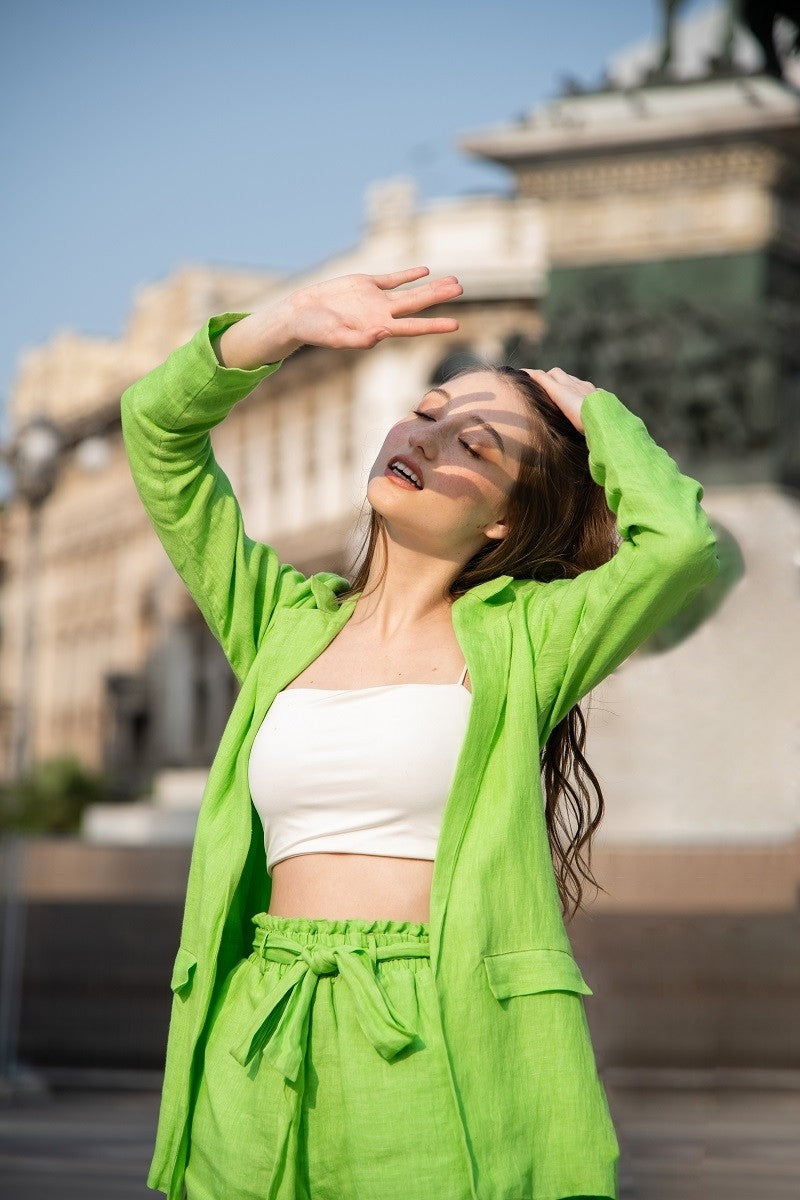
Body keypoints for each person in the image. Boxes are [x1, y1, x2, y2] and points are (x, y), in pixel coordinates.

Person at [121, 265, 720, 1200]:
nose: (424, 439)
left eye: (471, 445)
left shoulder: (529, 641)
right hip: (259, 1017)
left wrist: (595, 412)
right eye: (427, 410)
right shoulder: (280, 623)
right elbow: (159, 435)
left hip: (438, 1028)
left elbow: (679, 547)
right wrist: (281, 326)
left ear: (504, 520)